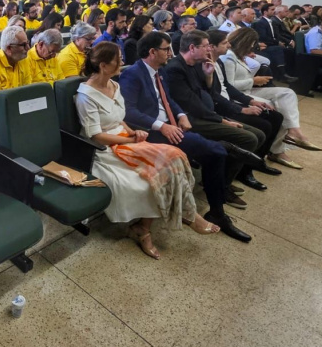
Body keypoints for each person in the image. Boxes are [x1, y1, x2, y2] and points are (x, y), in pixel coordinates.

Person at [77, 42, 219, 259]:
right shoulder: (86, 95)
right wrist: (132, 138)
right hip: (105, 149)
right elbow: (95, 135)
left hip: (125, 139)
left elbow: (119, 118)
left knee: (175, 157)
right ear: (104, 65)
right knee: (158, 169)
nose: (123, 62)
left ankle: (180, 214)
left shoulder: (114, 86)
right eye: (118, 58)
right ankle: (172, 221)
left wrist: (131, 132)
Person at [119, 32, 252, 243]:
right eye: (166, 49)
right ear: (152, 52)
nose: (170, 53)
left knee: (214, 151)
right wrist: (162, 126)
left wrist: (180, 115)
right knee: (216, 152)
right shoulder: (133, 74)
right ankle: (217, 210)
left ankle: (222, 163)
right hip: (152, 132)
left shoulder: (159, 72)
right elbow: (129, 111)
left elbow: (168, 99)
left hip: (172, 125)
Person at [162, 30, 271, 196]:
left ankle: (227, 178)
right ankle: (220, 186)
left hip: (206, 113)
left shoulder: (198, 64)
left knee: (259, 134)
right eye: (205, 46)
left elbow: (210, 93)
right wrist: (223, 121)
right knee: (249, 138)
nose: (208, 50)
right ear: (192, 47)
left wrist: (208, 76)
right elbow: (193, 105)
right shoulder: (175, 69)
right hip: (191, 119)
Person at [220, 28, 320, 170]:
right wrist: (253, 80)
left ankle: (294, 130)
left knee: (287, 94)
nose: (253, 47)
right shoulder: (228, 57)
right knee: (273, 107)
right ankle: (277, 150)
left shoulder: (239, 55)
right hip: (238, 94)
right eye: (252, 43)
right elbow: (229, 86)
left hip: (247, 89)